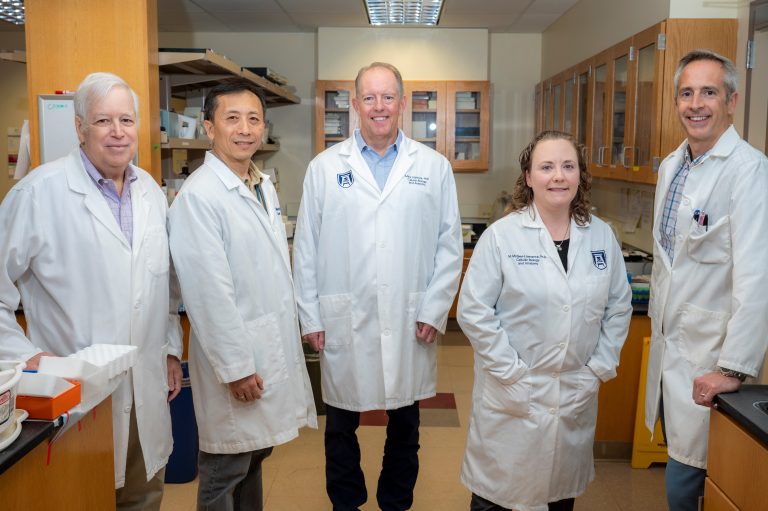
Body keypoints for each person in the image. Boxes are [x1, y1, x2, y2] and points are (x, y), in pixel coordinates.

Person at [0, 72, 183, 510]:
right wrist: (27, 358)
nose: (117, 132)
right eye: (103, 121)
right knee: (80, 498)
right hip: (74, 396)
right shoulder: (38, 194)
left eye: (126, 119)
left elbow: (166, 286)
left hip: (145, 392)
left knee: (143, 497)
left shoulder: (152, 196)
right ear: (80, 128)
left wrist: (171, 349)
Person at [293, 61, 463, 511]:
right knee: (340, 427)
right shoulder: (325, 168)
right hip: (343, 319)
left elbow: (450, 244)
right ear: (354, 106)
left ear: (403, 104)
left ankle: (395, 503)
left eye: (388, 97)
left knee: (406, 425)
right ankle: (345, 504)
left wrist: (434, 308)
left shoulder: (433, 167)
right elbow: (305, 248)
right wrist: (310, 315)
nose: (379, 107)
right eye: (369, 98)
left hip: (412, 319)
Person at [457, 131, 632, 511]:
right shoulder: (502, 237)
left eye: (568, 166)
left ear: (580, 176)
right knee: (498, 497)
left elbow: (619, 307)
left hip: (573, 393)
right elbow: (473, 311)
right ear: (528, 177)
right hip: (512, 394)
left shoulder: (602, 237)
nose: (558, 176)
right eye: (547, 167)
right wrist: (511, 372)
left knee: (558, 498)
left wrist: (597, 369)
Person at [168, 80, 317, 511]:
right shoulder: (200, 197)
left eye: (254, 119)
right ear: (209, 127)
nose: (245, 129)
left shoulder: (259, 183)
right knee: (225, 467)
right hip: (236, 359)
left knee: (254, 456)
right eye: (232, 118)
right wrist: (235, 368)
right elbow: (208, 295)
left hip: (263, 347)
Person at [646, 49, 768, 511]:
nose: (696, 104)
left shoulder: (749, 170)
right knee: (681, 476)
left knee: (688, 481)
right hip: (672, 348)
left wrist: (732, 367)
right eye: (686, 93)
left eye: (709, 92)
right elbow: (670, 262)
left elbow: (757, 278)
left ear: (732, 101)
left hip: (711, 355)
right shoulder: (672, 166)